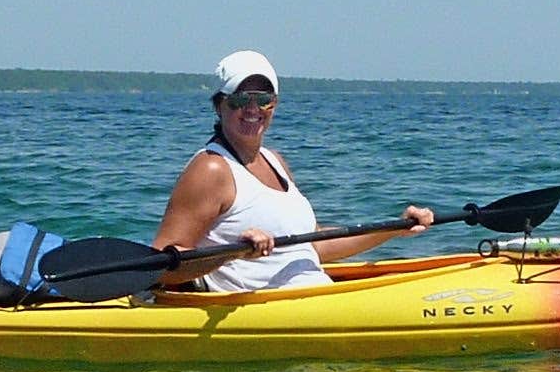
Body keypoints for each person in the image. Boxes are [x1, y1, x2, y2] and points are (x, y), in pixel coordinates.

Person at [150, 50, 435, 291]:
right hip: (261, 312)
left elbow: (316, 246)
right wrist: (233, 253)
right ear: (219, 105)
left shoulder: (275, 161)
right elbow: (163, 264)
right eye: (240, 100)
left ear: (274, 104)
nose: (253, 109)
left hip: (316, 297)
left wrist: (394, 228)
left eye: (263, 99)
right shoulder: (211, 168)